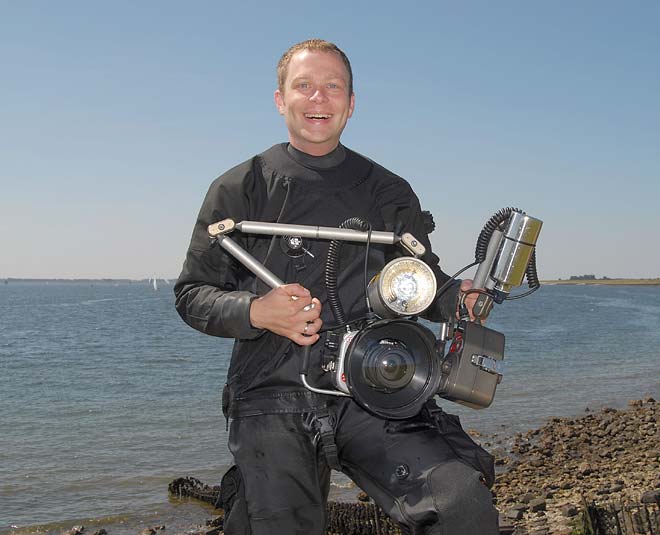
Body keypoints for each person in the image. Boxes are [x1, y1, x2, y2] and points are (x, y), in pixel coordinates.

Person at [174, 39, 498, 534]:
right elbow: (193, 295)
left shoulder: (388, 190)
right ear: (281, 100)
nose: (318, 98)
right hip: (270, 396)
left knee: (460, 504)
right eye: (303, 86)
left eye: (333, 87)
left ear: (351, 103)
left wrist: (460, 299)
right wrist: (257, 312)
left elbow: (419, 279)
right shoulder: (240, 187)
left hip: (375, 385)